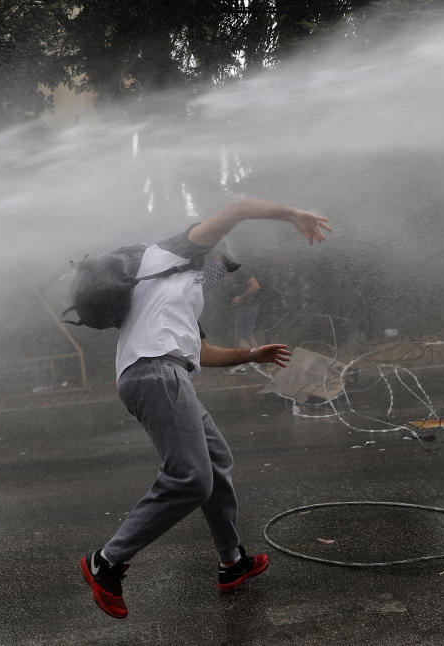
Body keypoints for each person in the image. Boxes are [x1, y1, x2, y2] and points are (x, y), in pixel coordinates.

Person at [79, 198, 330, 619]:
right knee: (191, 478)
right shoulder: (177, 252)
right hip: (155, 372)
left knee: (215, 464)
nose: (221, 272)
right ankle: (105, 561)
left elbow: (203, 350)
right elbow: (239, 207)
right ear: (211, 249)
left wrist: (252, 353)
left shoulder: (175, 290)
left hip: (167, 373)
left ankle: (231, 563)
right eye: (221, 263)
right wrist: (293, 216)